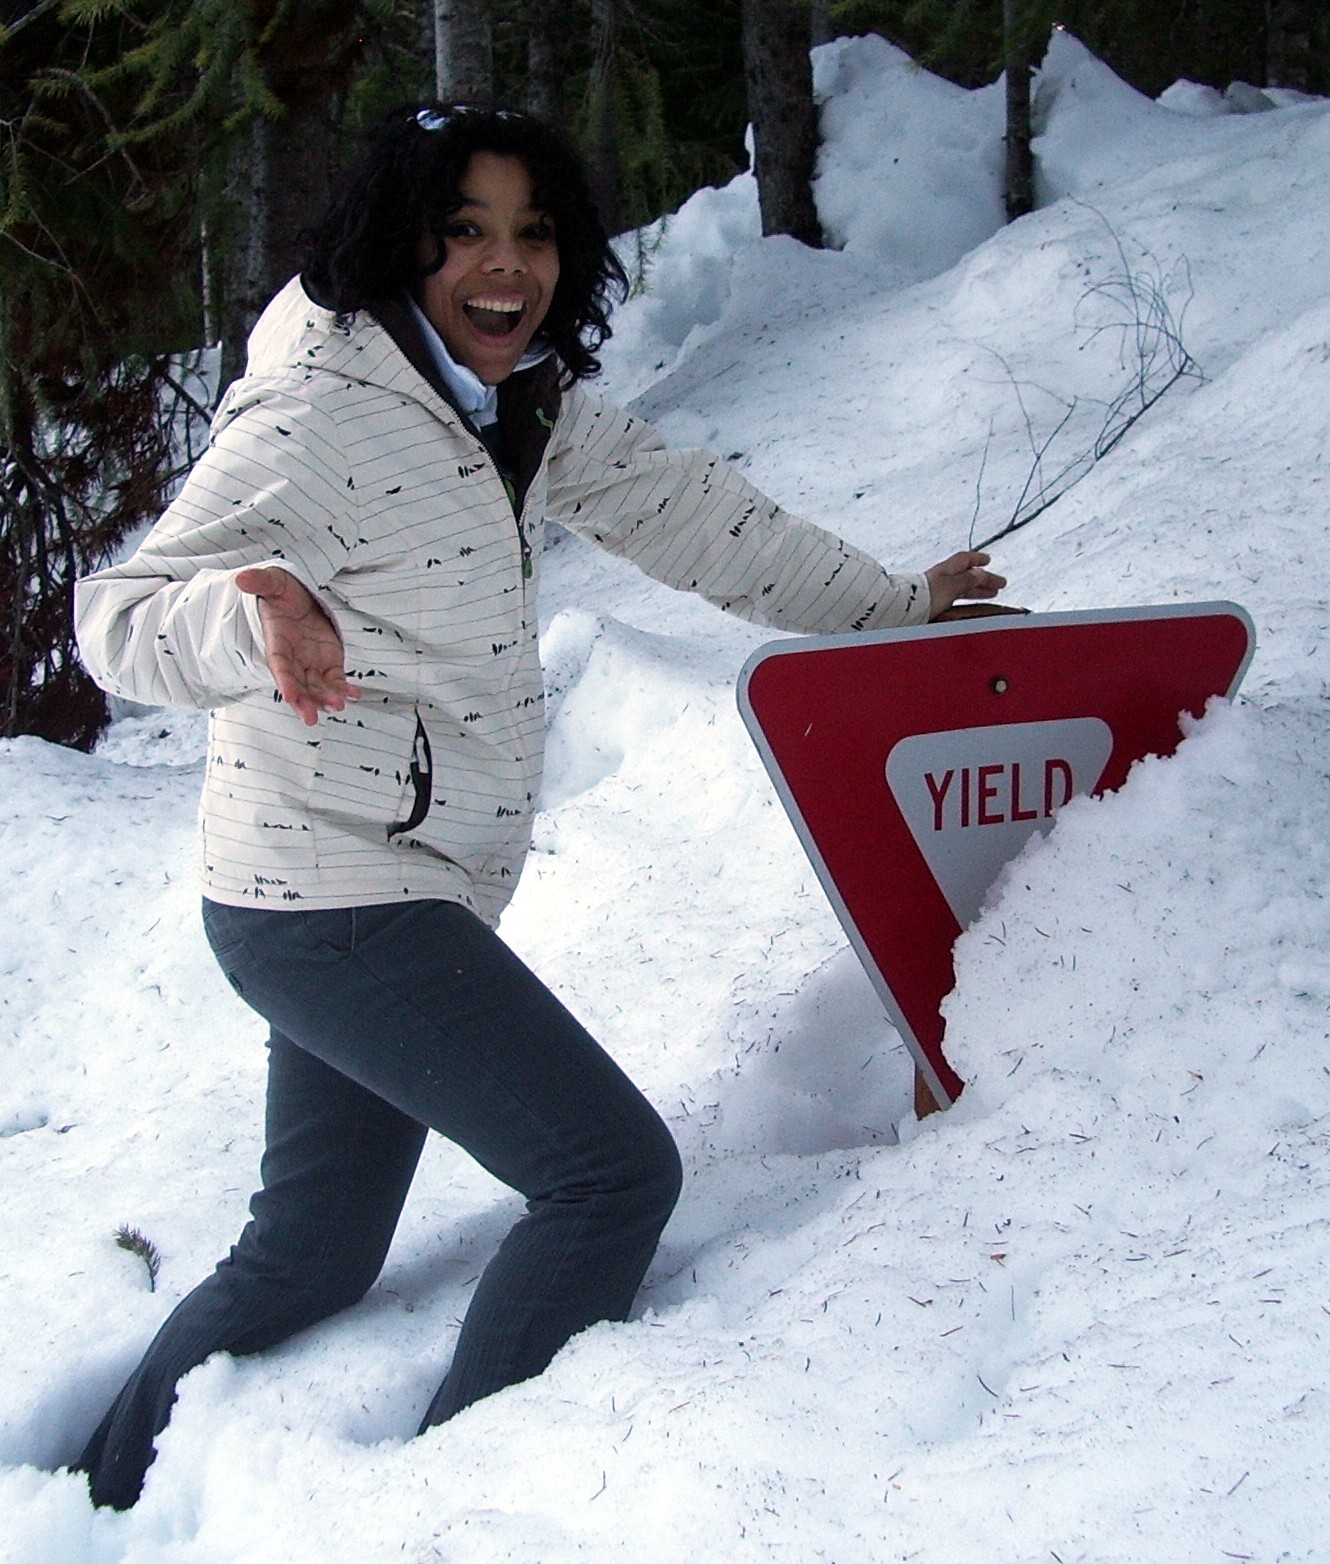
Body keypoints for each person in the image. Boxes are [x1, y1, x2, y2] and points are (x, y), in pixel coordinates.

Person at [71, 102, 1005, 1510]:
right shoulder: (317, 418)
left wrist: (886, 606)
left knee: (311, 1255)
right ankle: (448, 1504)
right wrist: (240, 619)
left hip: (353, 892)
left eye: (532, 233)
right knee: (608, 1178)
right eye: (464, 233)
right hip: (334, 908)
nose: (504, 268)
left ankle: (91, 1496)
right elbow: (118, 618)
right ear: (400, 244)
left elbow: (697, 516)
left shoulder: (509, 405)